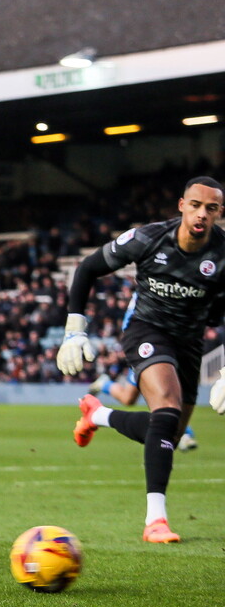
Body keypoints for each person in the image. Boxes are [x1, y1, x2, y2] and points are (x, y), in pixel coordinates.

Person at [58, 176, 225, 543]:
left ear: (219, 214)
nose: (201, 214)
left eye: (210, 208)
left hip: (190, 343)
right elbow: (88, 267)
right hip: (147, 330)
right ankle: (156, 520)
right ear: (182, 205)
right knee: (165, 410)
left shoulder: (223, 254)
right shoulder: (148, 238)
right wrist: (74, 329)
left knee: (170, 433)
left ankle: (97, 415)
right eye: (195, 205)